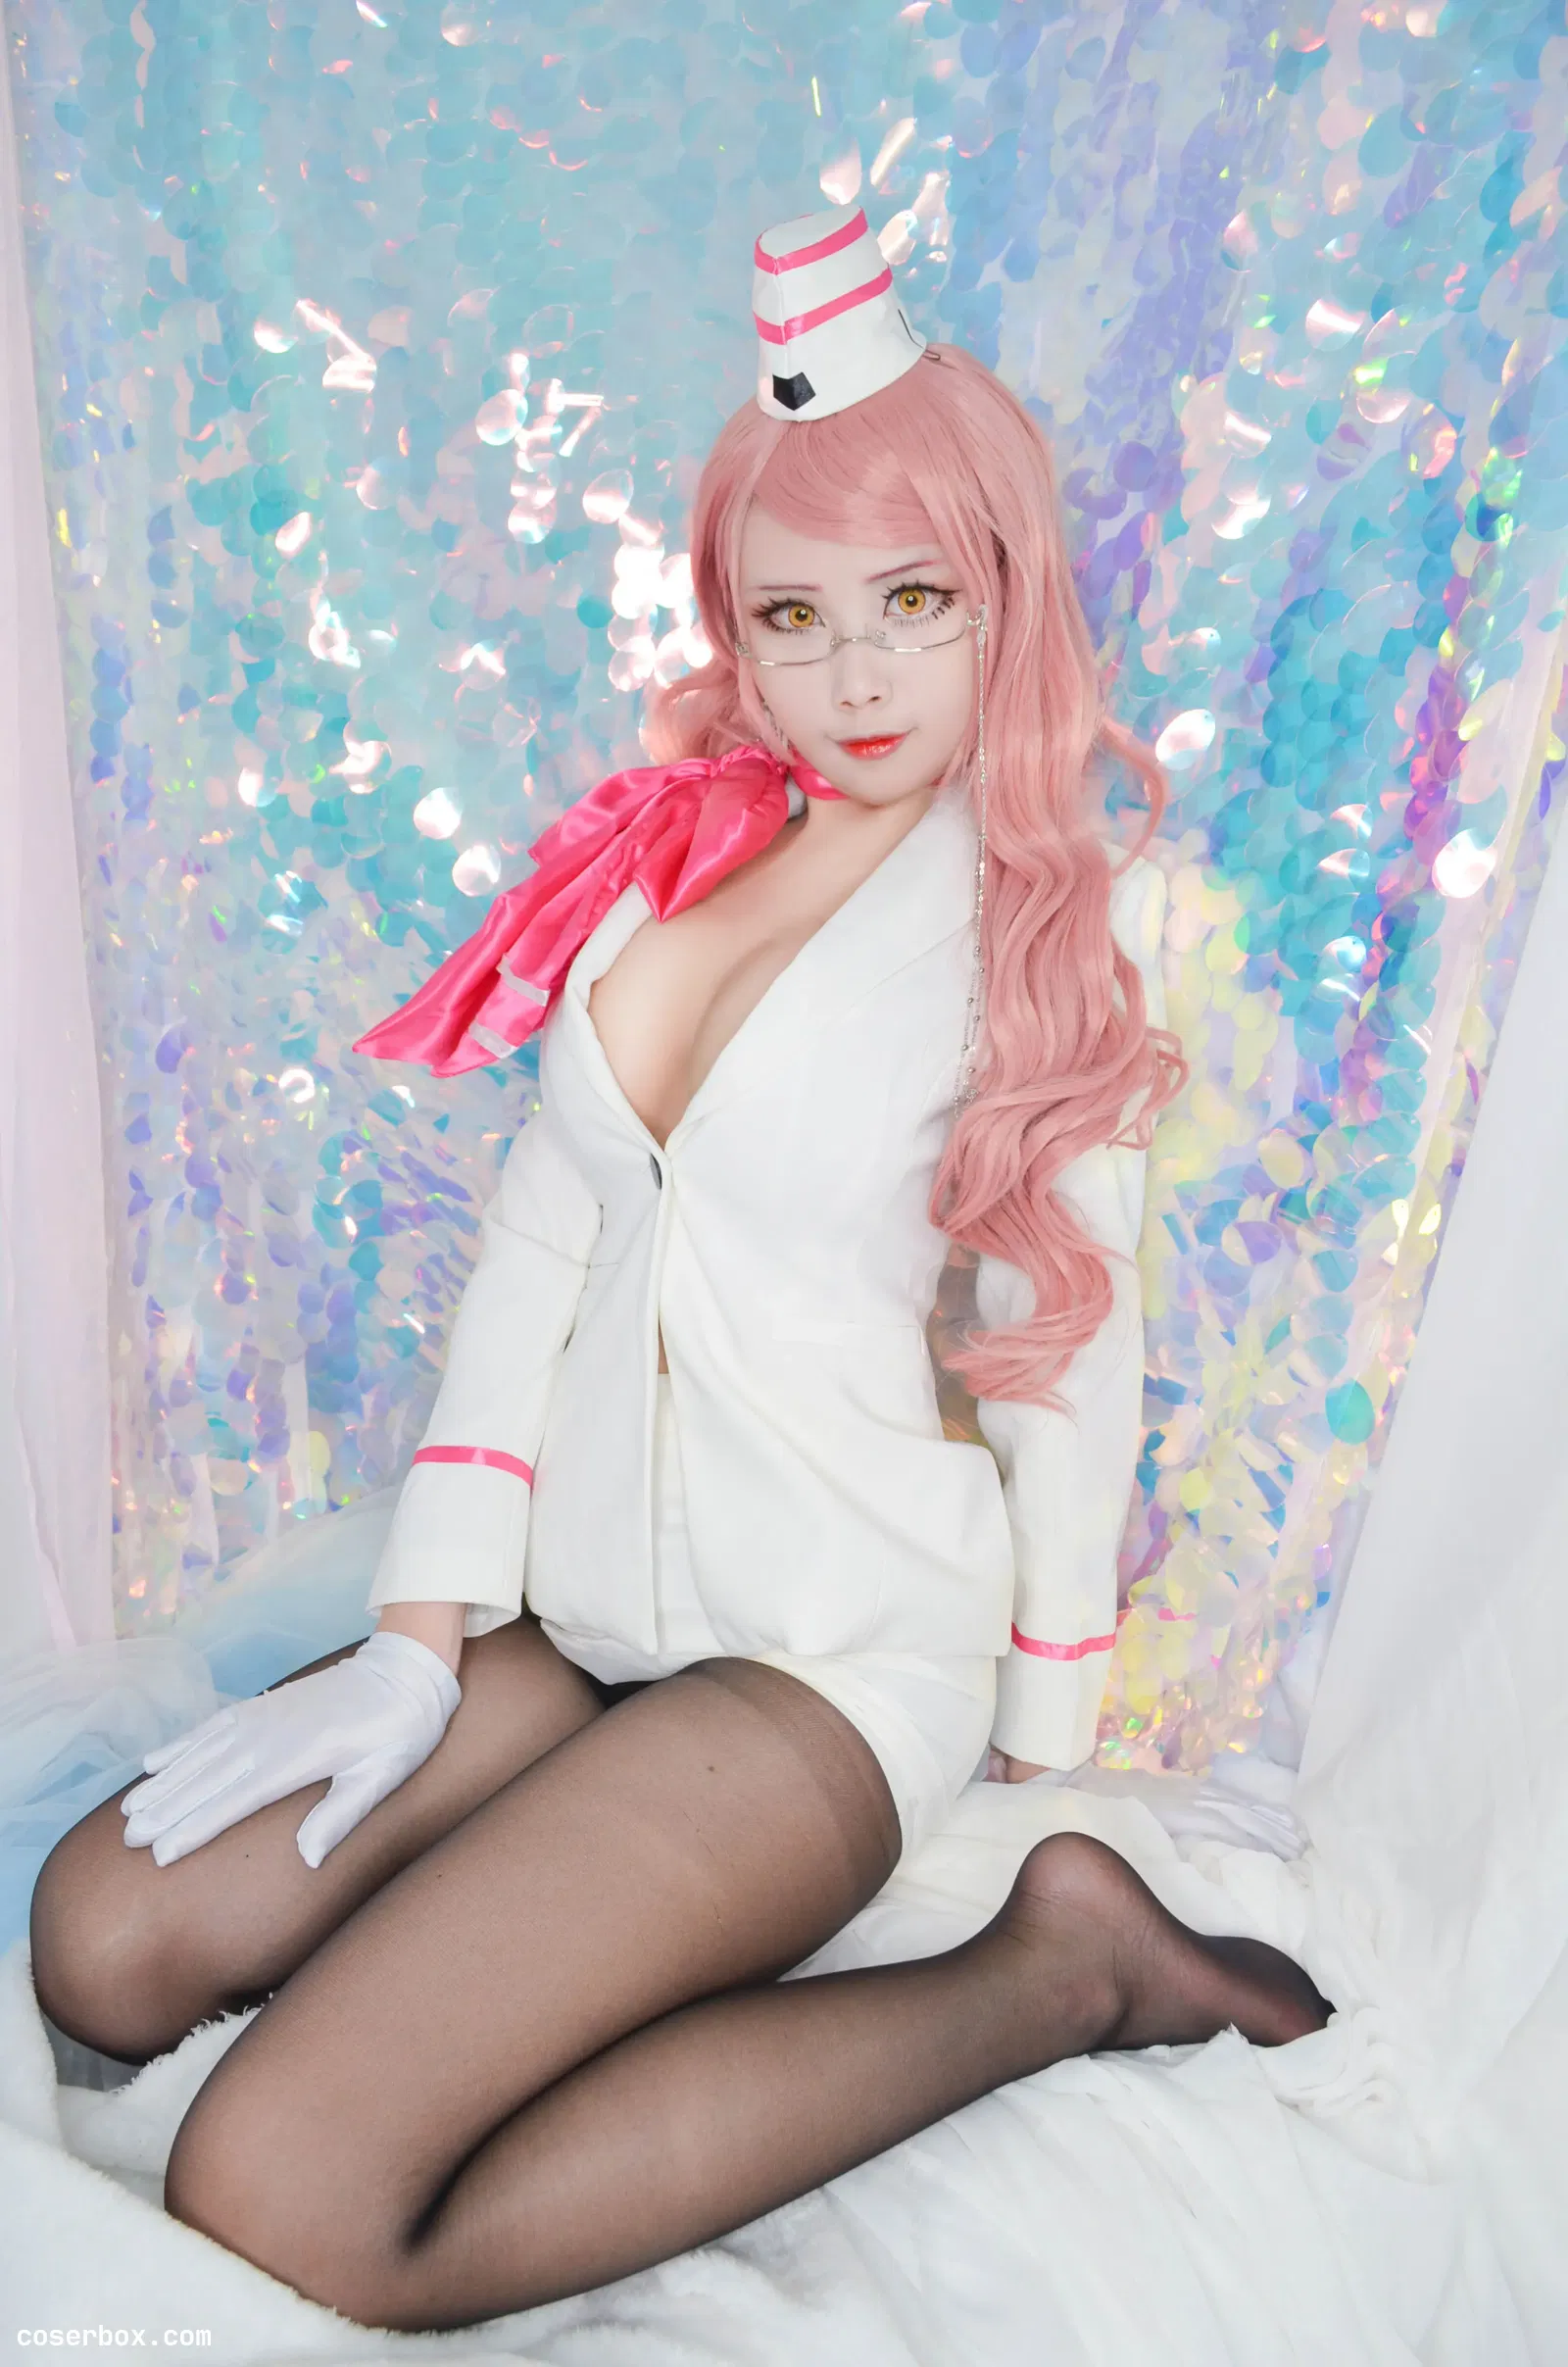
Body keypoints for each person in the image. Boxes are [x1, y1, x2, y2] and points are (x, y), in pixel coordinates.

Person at [28, 205, 1329, 2334]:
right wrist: (418, 1639)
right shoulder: (682, 852)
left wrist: (1046, 1705)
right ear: (736, 624)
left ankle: (1057, 1967)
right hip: (587, 1603)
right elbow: (544, 1242)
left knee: (281, 2189)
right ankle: (526, 1870)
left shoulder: (1048, 926)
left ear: (1002, 595)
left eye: (914, 603)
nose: (856, 675)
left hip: (830, 1648)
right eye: (795, 615)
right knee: (103, 1939)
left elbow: (1061, 1351)